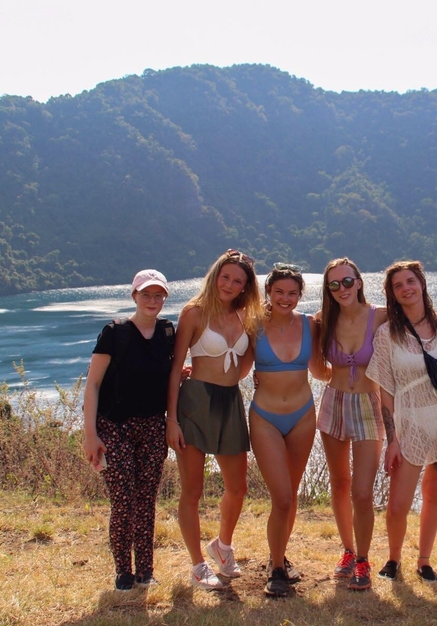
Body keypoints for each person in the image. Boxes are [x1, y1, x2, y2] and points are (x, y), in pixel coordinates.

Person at [166, 249, 263, 591]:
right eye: (226, 277)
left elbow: (248, 360)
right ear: (215, 276)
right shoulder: (193, 313)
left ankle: (222, 547)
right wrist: (171, 420)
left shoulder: (246, 318)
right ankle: (197, 566)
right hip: (194, 402)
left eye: (238, 281)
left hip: (229, 402)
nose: (230, 284)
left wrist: (236, 377)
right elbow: (176, 367)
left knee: (238, 487)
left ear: (245, 287)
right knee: (192, 491)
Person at [366, 260, 437, 584]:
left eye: (411, 281)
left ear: (422, 284)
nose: (406, 288)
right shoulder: (387, 334)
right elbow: (385, 388)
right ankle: (393, 559)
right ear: (392, 294)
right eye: (398, 285)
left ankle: (424, 562)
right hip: (409, 424)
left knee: (434, 492)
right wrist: (392, 438)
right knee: (399, 502)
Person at [82, 269, 175, 591]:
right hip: (114, 428)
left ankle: (145, 570)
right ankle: (123, 570)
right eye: (146, 294)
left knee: (146, 500)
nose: (152, 301)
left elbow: (167, 374)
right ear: (134, 296)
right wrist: (90, 434)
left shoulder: (166, 333)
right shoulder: (115, 333)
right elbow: (93, 385)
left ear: (165, 298)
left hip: (151, 427)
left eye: (158, 295)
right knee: (123, 500)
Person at [249, 263, 326, 597]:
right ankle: (277, 571)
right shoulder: (252, 324)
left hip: (303, 416)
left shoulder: (310, 324)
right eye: (279, 291)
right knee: (281, 497)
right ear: (268, 291)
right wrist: (200, 370)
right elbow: (236, 362)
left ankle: (277, 555)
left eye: (292, 293)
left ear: (300, 294)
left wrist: (360, 371)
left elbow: (322, 370)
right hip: (265, 417)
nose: (285, 298)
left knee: (289, 497)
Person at [315, 257, 388, 591]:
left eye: (347, 282)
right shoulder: (323, 321)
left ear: (359, 281)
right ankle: (347, 550)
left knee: (362, 491)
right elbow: (317, 368)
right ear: (328, 290)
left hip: (369, 406)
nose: (341, 289)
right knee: (340, 482)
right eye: (334, 284)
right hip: (334, 402)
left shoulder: (382, 316)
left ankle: (363, 558)